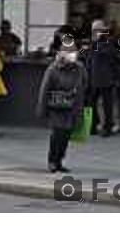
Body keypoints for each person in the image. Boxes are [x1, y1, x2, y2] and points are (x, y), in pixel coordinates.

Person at [37, 28, 87, 173]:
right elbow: (44, 90)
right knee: (57, 134)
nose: (72, 56)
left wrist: (81, 102)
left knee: (66, 135)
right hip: (57, 106)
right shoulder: (53, 69)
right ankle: (52, 161)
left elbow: (85, 84)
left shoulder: (80, 68)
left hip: (72, 106)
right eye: (69, 53)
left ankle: (59, 161)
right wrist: (42, 109)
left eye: (74, 53)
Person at [90, 19, 120, 137]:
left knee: (107, 104)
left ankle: (107, 128)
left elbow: (114, 57)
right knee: (92, 103)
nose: (94, 32)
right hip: (95, 77)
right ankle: (94, 125)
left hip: (106, 78)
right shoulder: (94, 42)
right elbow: (91, 57)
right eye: (93, 30)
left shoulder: (108, 41)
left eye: (96, 29)